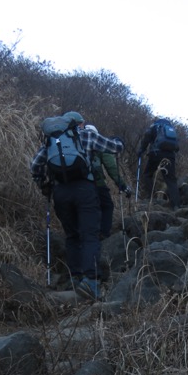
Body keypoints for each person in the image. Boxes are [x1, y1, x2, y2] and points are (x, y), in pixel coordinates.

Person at [31, 111, 124, 300]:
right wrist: (119, 140)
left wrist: (45, 186)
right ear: (77, 124)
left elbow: (35, 166)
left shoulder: (51, 142)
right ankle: (90, 282)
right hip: (85, 190)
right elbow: (115, 148)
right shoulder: (88, 136)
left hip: (60, 193)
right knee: (89, 235)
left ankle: (75, 277)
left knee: (72, 236)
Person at [85, 124, 132, 239]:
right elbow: (111, 168)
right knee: (107, 206)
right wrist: (123, 186)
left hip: (74, 185)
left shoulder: (75, 141)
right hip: (96, 183)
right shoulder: (98, 144)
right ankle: (103, 234)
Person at [136, 117, 181, 209]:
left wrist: (141, 150)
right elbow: (177, 147)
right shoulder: (171, 129)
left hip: (156, 154)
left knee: (148, 175)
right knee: (171, 180)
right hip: (170, 156)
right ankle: (176, 205)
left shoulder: (155, 127)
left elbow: (146, 138)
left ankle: (151, 198)